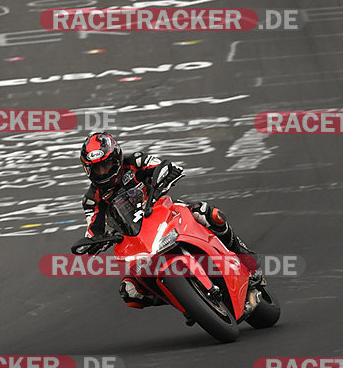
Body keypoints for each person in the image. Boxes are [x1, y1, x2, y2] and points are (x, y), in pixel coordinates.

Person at [79, 131, 263, 308]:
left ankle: (242, 254)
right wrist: (93, 243)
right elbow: (93, 229)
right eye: (97, 168)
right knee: (129, 292)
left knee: (207, 213)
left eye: (107, 164)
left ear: (117, 158)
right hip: (135, 240)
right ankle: (183, 299)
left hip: (162, 210)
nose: (103, 172)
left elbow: (162, 166)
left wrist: (167, 174)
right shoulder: (92, 199)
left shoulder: (135, 162)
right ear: (88, 169)